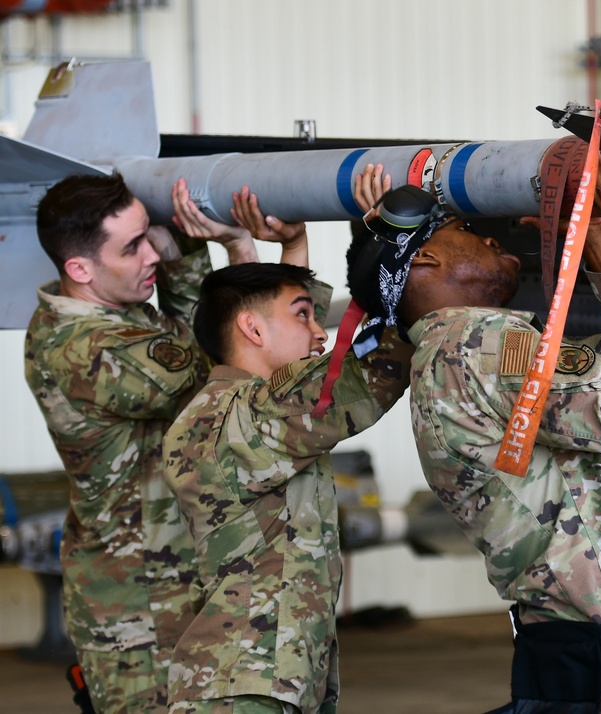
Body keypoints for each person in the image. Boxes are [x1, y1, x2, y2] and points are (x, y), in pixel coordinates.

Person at [344, 157, 601, 714]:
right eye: (468, 232)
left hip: (595, 668)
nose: (494, 240)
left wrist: (597, 237)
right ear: (425, 259)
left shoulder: (448, 356)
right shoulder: (480, 344)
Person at [24, 172, 307, 714]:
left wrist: (183, 247)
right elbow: (232, 367)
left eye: (147, 233)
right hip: (139, 609)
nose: (149, 253)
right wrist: (235, 252)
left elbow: (188, 329)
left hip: (177, 578)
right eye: (132, 246)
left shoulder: (117, 308)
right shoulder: (85, 348)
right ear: (79, 269)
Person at [161, 168, 411, 714]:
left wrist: (293, 245)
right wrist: (384, 240)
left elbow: (287, 350)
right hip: (248, 684)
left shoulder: (225, 408)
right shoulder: (250, 417)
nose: (320, 330)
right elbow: (374, 370)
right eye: (305, 316)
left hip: (256, 675)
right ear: (251, 330)